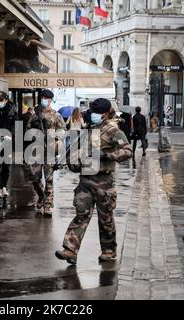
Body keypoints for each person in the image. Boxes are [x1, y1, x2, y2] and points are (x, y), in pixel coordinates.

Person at [55, 98, 133, 265]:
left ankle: (108, 250)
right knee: (81, 214)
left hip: (104, 181)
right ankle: (70, 250)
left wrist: (107, 155)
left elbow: (127, 151)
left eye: (97, 113)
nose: (93, 115)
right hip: (86, 180)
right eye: (93, 112)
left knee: (105, 218)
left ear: (105, 114)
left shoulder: (113, 131)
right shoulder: (90, 129)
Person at [27, 89, 66, 217]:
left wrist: (56, 138)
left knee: (49, 179)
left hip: (49, 150)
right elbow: (28, 129)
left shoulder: (56, 115)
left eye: (46, 98)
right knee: (34, 178)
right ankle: (41, 197)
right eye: (42, 97)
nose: (44, 100)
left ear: (50, 100)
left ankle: (48, 205)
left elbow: (62, 130)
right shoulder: (35, 115)